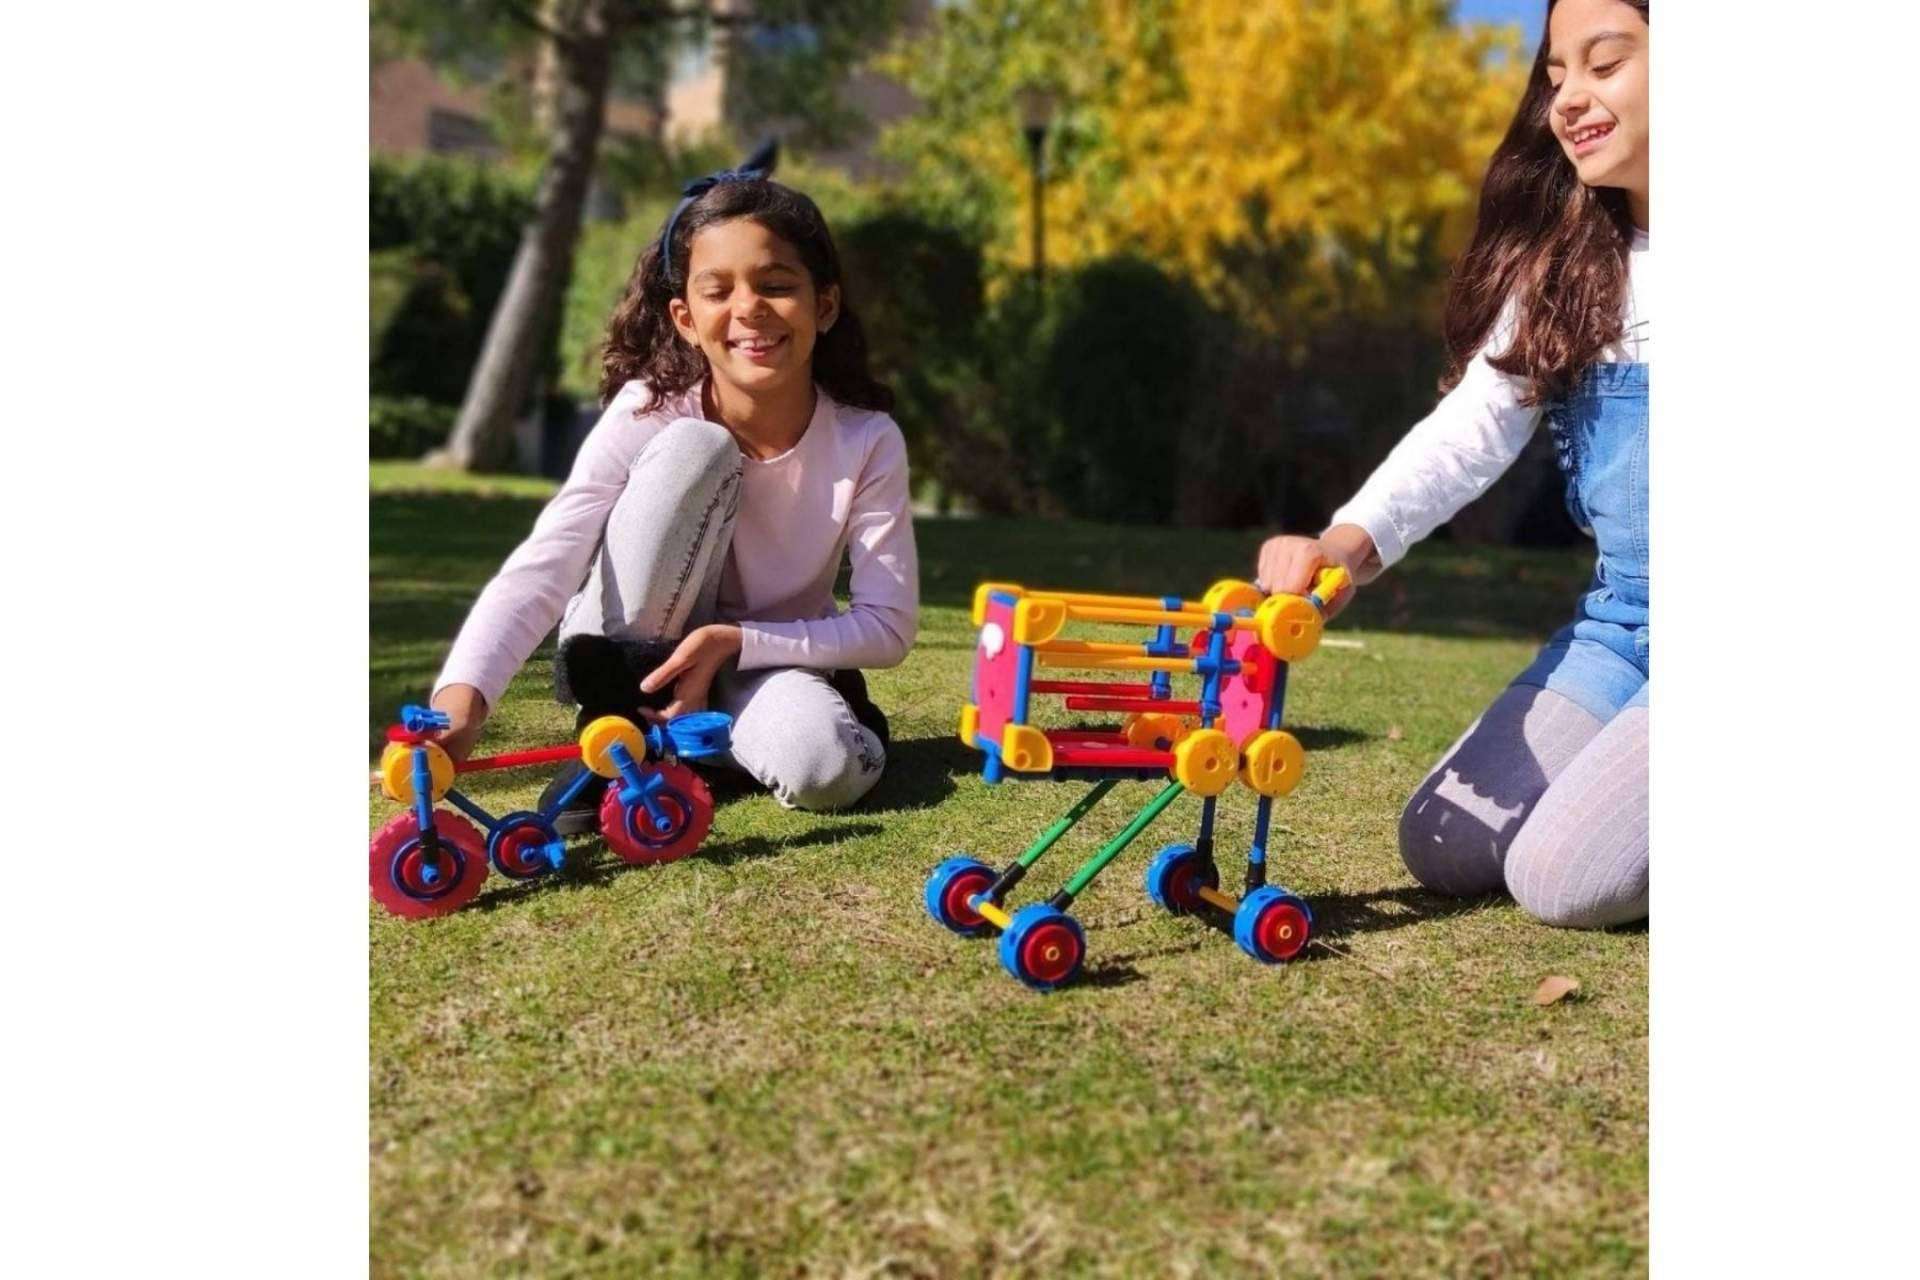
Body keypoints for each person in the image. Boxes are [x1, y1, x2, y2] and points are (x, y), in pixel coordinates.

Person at [1256, 0, 1650, 928]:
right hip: (1628, 624)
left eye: (1606, 63)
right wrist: (1345, 544)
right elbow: (1472, 426)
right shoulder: (1571, 265)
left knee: (1563, 880)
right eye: (1556, 77)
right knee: (1443, 841)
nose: (1569, 101)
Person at [428, 154, 918, 820]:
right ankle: (622, 725)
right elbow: (549, 561)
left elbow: (887, 625)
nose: (750, 309)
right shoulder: (648, 412)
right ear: (686, 318)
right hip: (631, 650)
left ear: (823, 304)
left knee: (824, 770)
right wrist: (461, 702)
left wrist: (734, 642)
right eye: (719, 291)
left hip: (759, 660)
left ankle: (701, 743)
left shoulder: (868, 440)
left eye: (776, 284)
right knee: (698, 447)